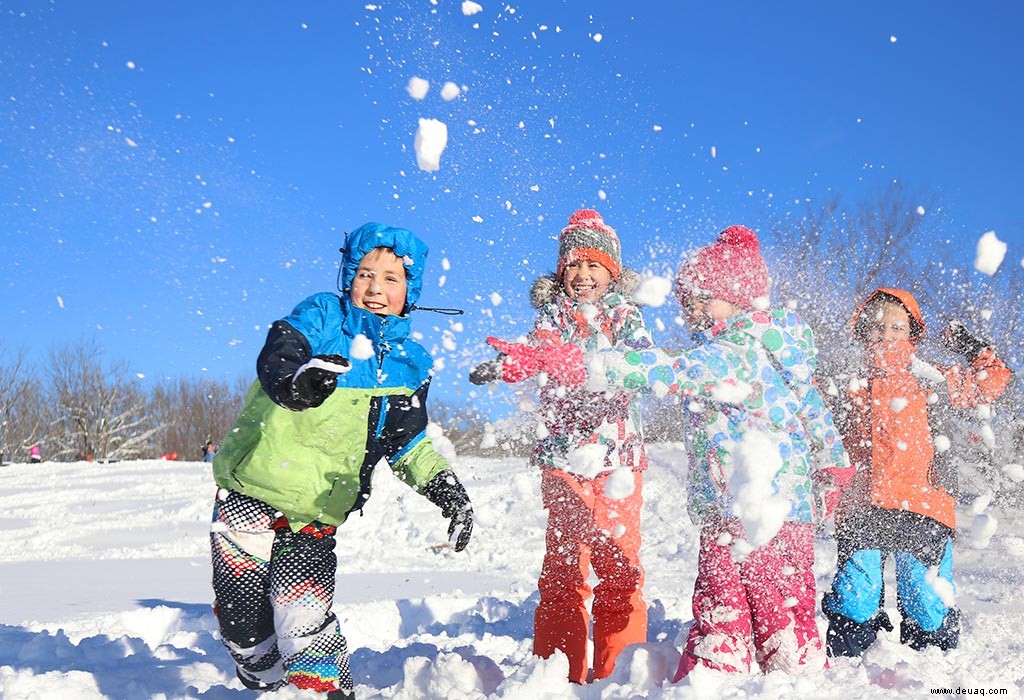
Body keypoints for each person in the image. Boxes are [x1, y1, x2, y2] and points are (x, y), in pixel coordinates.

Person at [210, 222, 474, 699]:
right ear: (348, 277)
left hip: (317, 510)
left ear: (409, 292)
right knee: (241, 625)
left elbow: (406, 442)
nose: (375, 289)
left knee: (306, 627)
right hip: (251, 492)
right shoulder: (322, 315)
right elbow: (281, 350)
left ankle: (324, 692)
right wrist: (297, 381)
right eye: (365, 274)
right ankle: (266, 683)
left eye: (392, 279)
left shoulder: (410, 361)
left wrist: (447, 489)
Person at [581, 225, 851, 679]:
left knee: (736, 605)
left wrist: (597, 365)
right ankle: (762, 676)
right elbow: (818, 417)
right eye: (688, 301)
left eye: (705, 298)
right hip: (764, 510)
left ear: (741, 300)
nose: (694, 311)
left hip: (750, 510)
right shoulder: (776, 356)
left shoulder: (734, 350)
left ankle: (732, 679)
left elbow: (668, 370)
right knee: (763, 603)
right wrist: (832, 465)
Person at [471, 209, 654, 684]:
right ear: (560, 273)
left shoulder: (624, 315)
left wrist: (588, 364)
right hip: (562, 458)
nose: (582, 275)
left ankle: (620, 673)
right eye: (573, 265)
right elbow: (537, 351)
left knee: (619, 563)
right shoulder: (550, 316)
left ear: (612, 272)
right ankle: (556, 674)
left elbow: (643, 363)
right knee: (564, 564)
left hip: (617, 459)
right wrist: (512, 364)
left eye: (593, 265)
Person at [821, 288, 1012, 656]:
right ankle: (847, 675)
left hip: (922, 504)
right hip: (863, 505)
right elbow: (806, 406)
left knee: (926, 603)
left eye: (897, 326)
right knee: (854, 600)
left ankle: (932, 672)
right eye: (877, 326)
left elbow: (994, 379)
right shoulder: (849, 384)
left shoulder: (934, 379)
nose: (887, 333)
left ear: (912, 334)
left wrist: (971, 347)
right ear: (863, 331)